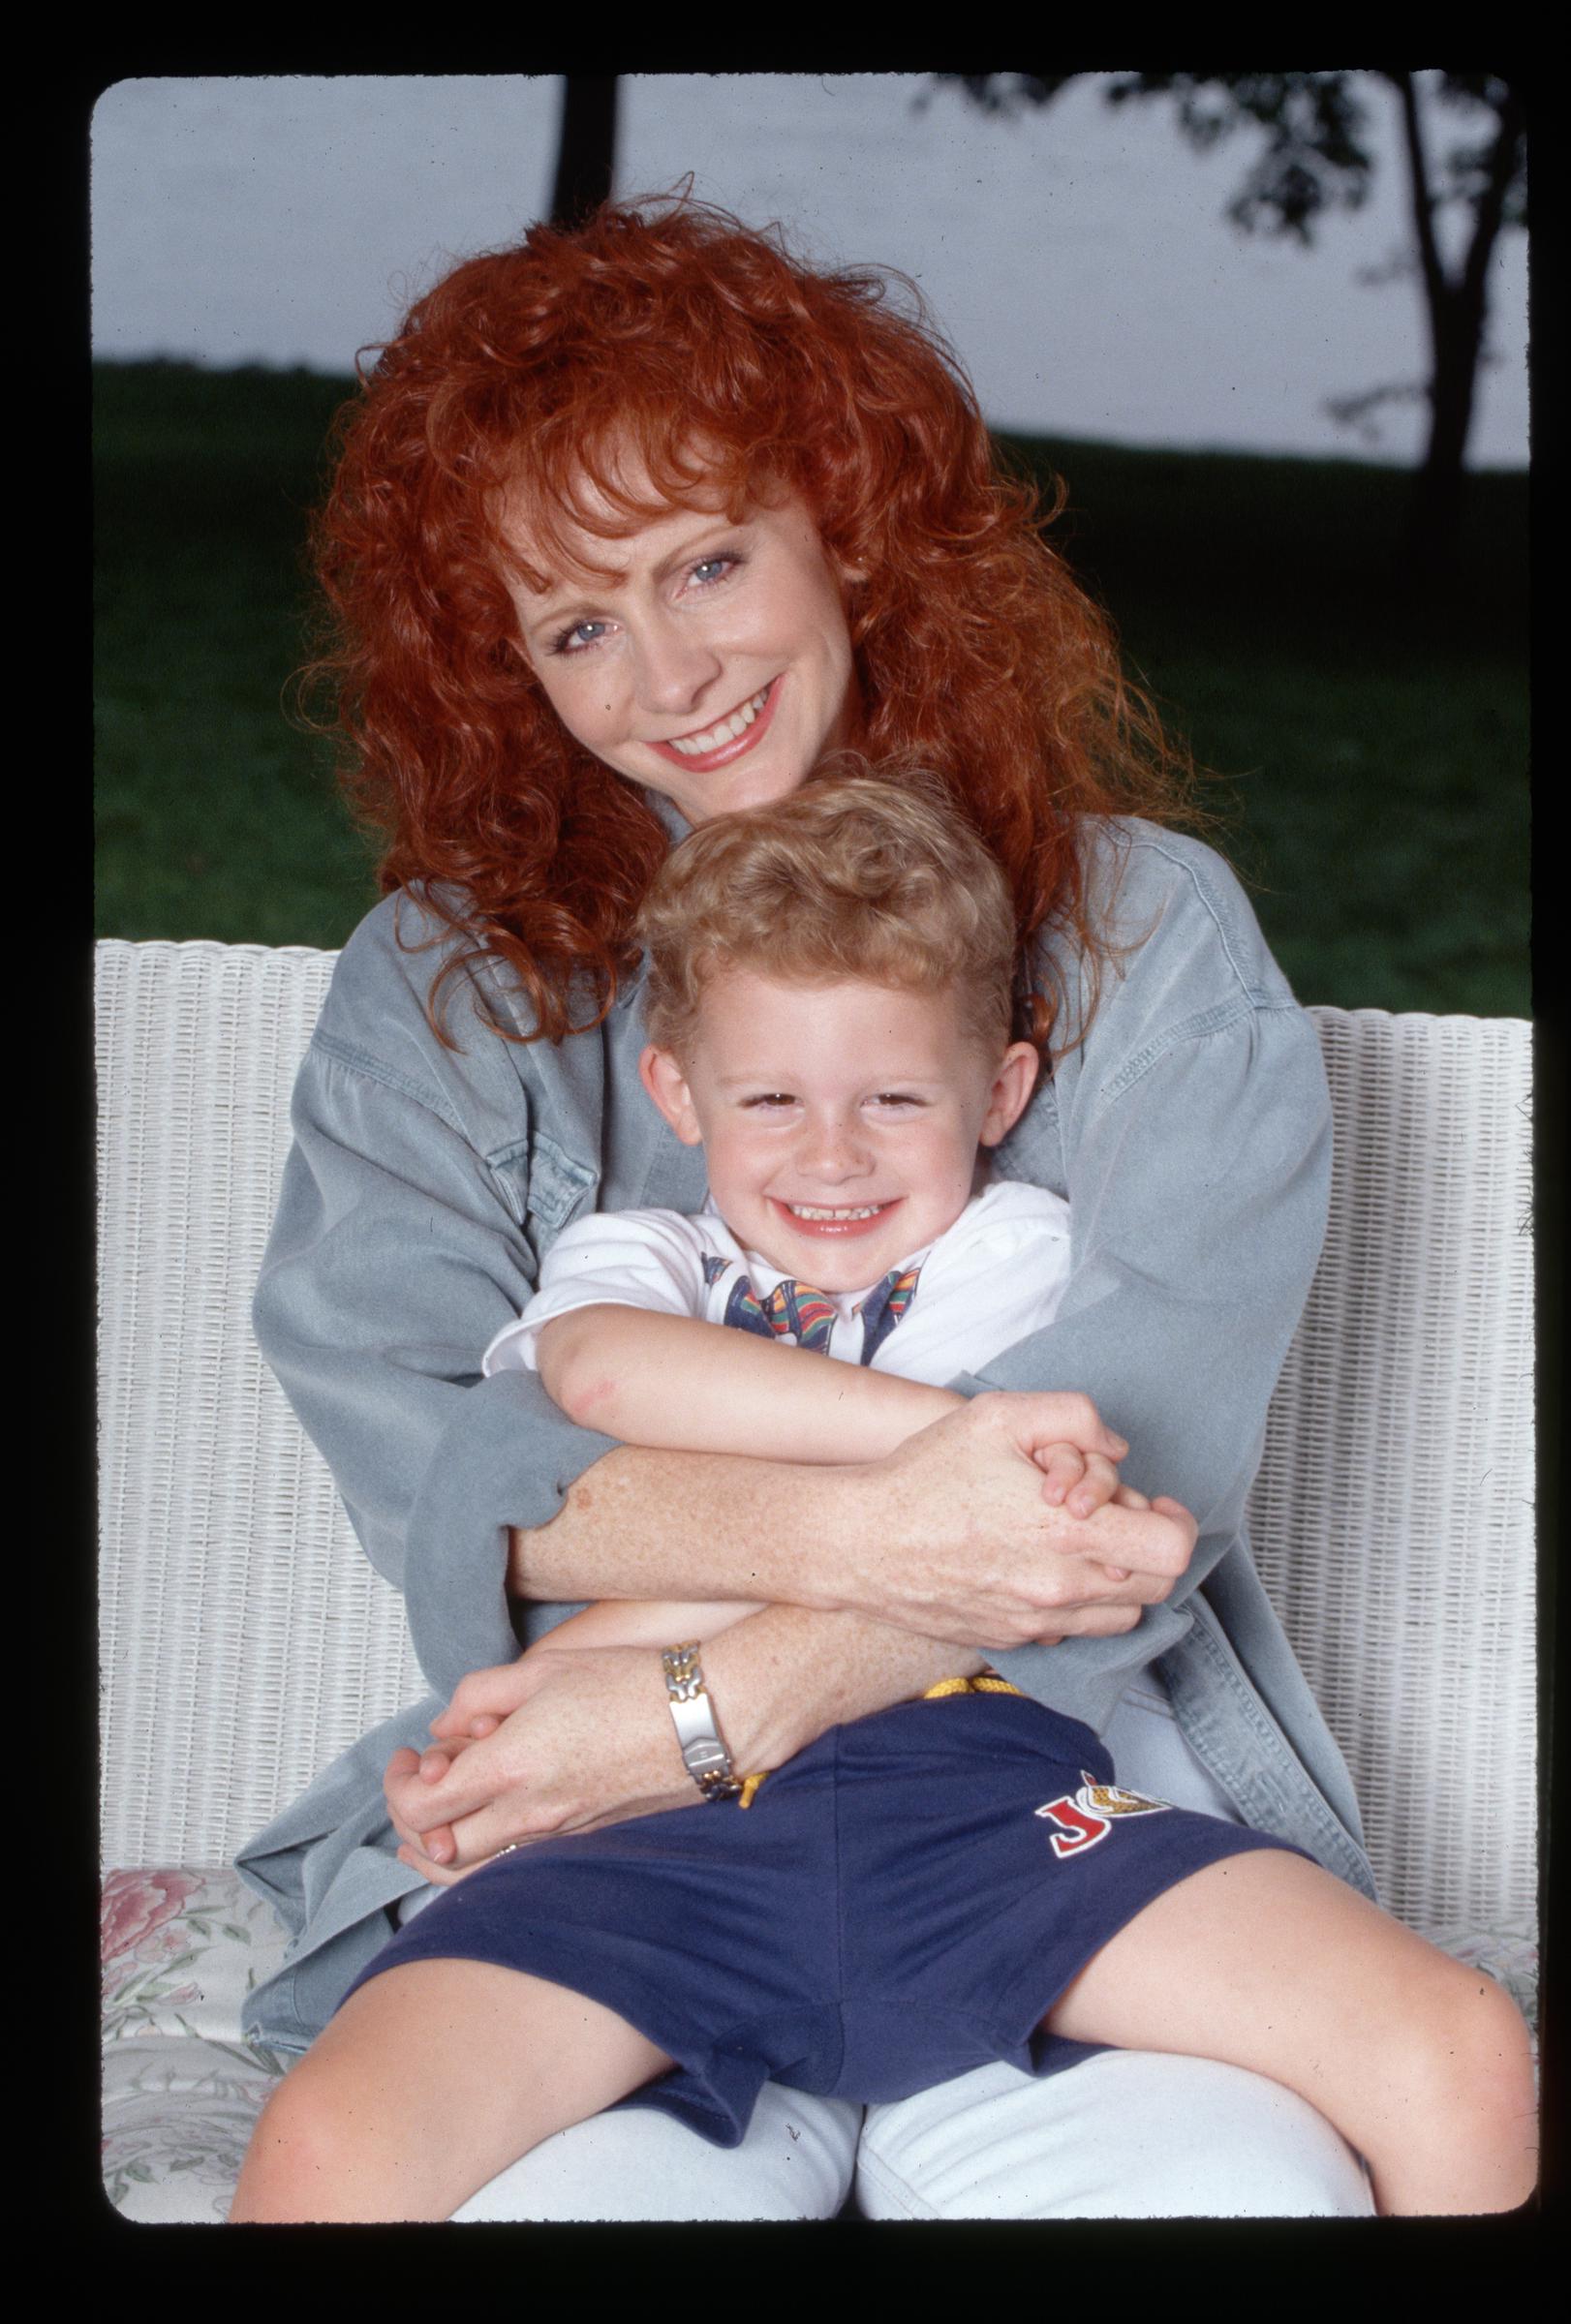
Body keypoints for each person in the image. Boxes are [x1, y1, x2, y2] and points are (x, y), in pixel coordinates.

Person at [233, 196, 1450, 2219]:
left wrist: (708, 1702)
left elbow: (1117, 1500)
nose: (671, 675)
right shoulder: (440, 987)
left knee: (1228, 2190)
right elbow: (453, 1471)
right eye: (575, 624)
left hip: (1064, 1810)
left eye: (709, 559)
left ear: (848, 528)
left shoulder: (1147, 940)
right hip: (589, 1845)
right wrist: (875, 1538)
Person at [230, 773, 1535, 2221]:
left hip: (994, 1801)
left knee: (1461, 2050)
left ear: (1002, 1094)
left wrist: (670, 1583)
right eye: (771, 1097)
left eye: (895, 1098)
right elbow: (599, 1382)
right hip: (650, 1825)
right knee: (329, 2148)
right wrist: (935, 1465)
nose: (831, 1153)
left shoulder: (1017, 1253)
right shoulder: (639, 1261)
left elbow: (1032, 1539)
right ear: (678, 1094)